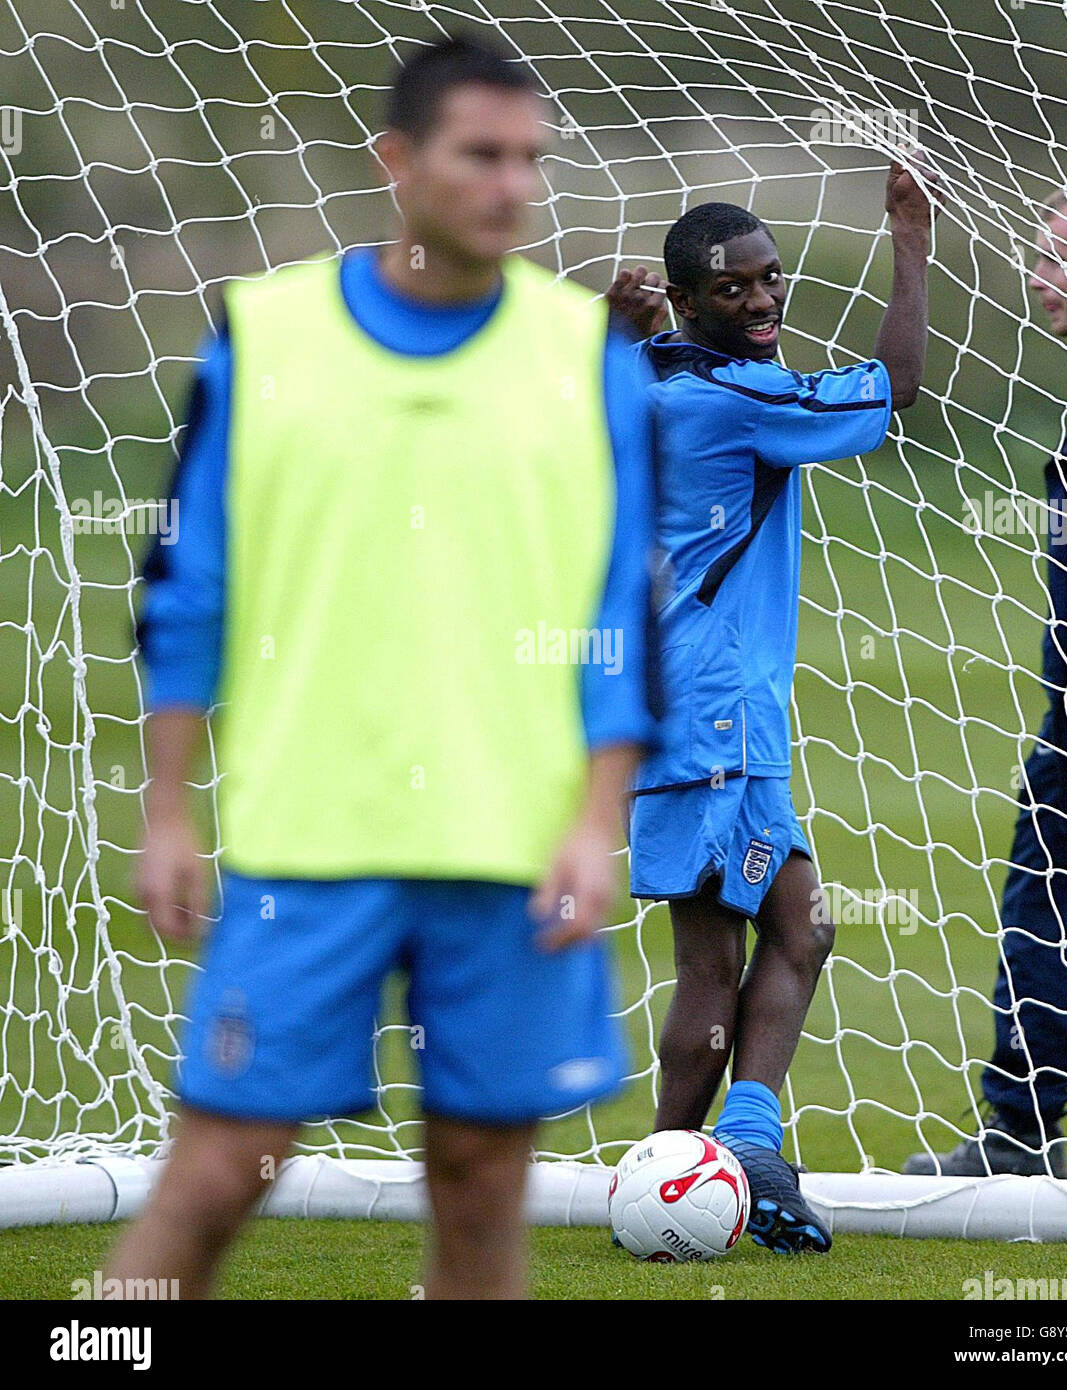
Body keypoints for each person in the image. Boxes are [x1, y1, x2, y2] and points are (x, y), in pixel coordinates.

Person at [108, 34, 660, 1300]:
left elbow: (621, 617)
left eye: (531, 158)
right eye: (481, 154)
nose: (512, 184)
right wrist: (168, 809)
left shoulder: (591, 360)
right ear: (398, 163)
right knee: (215, 1176)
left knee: (479, 1188)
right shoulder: (264, 336)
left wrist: (593, 820)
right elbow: (186, 592)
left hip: (511, 851)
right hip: (309, 843)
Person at [607, 160, 939, 1251]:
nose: (761, 302)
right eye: (734, 289)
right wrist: (909, 244)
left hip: (691, 707)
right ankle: (695, 1175)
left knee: (778, 931)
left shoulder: (652, 378)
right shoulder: (723, 397)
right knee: (752, 943)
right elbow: (895, 392)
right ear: (690, 301)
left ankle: (707, 1163)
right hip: (707, 713)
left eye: (770, 280)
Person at [905, 181, 1067, 1179]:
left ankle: (1015, 1133)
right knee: (1048, 909)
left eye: (1053, 259)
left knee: (1048, 909)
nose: (1035, 281)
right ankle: (1016, 1128)